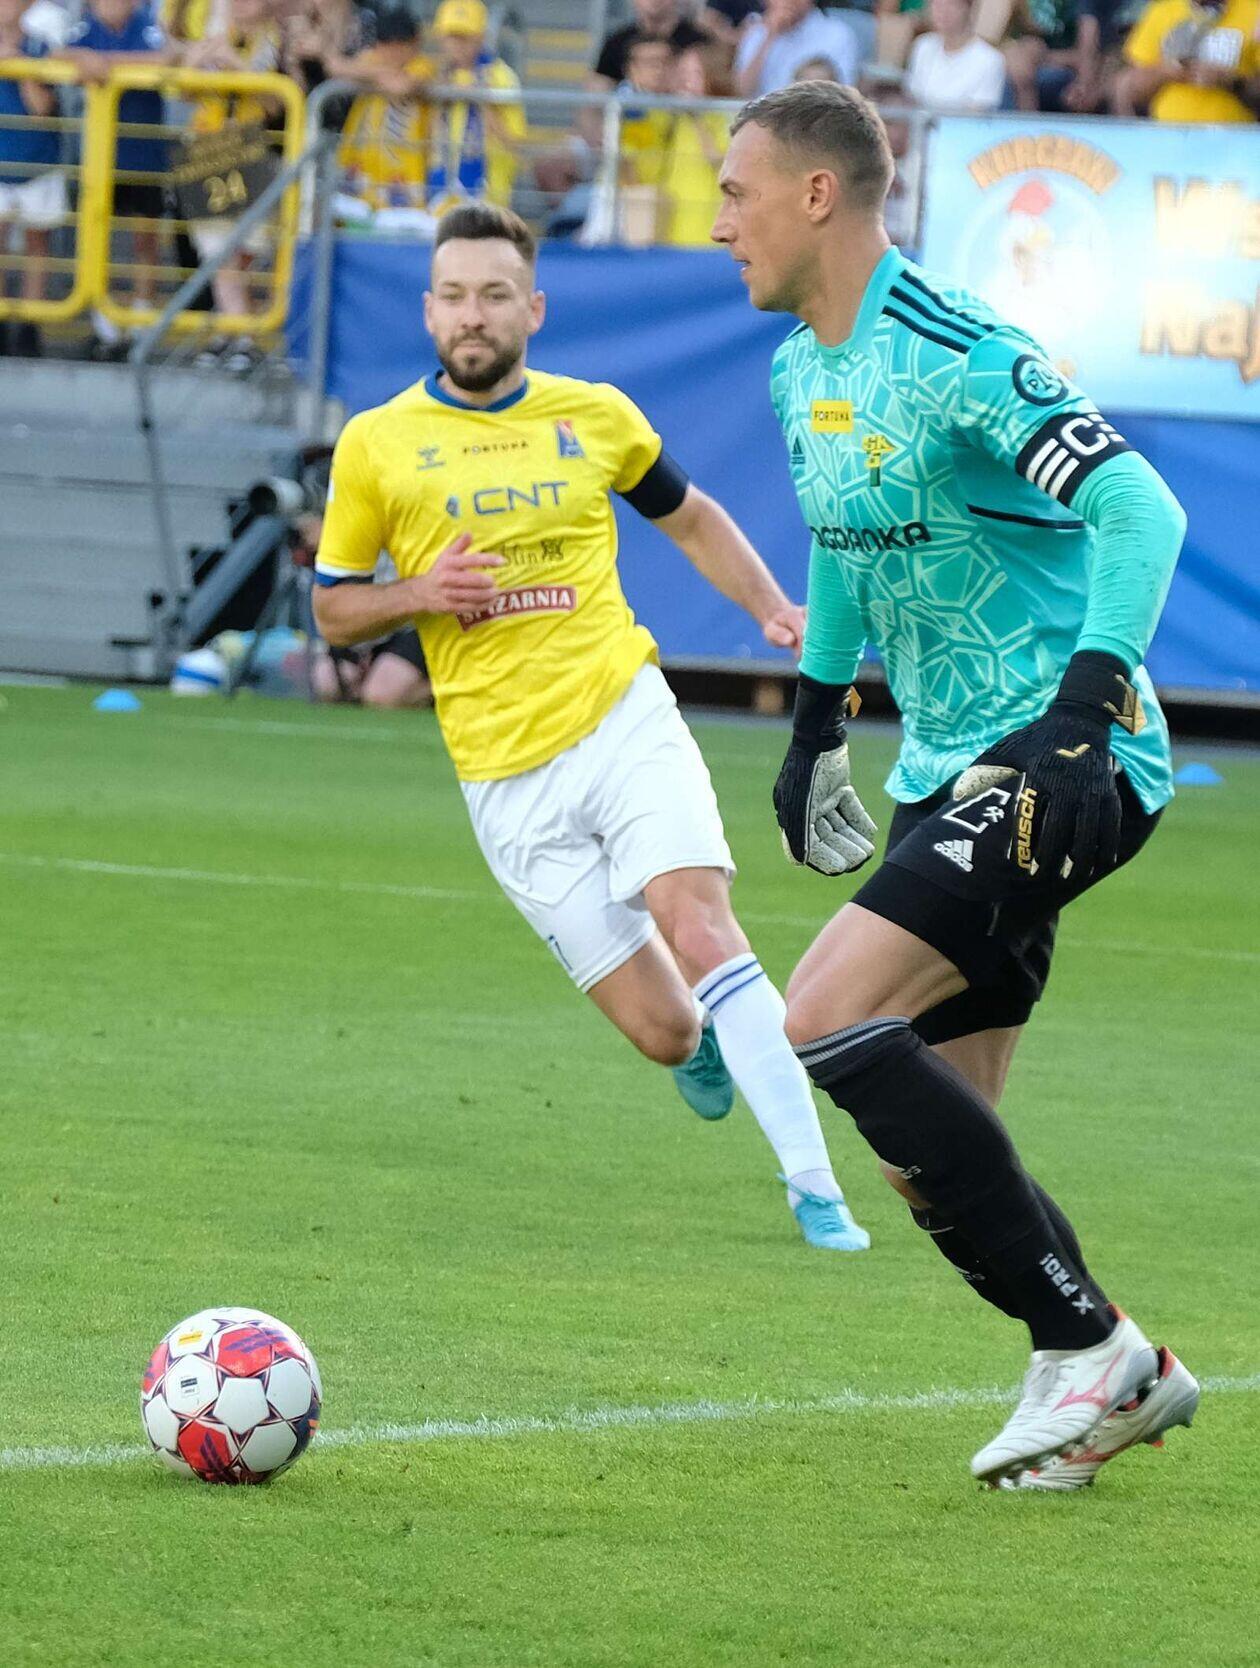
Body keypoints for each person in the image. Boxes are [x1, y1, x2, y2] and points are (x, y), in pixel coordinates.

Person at [713, 80, 1199, 1488]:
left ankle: (1091, 1347)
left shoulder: (957, 349)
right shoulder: (802, 369)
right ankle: (1104, 1372)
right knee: (927, 1132)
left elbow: (1140, 508)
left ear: (818, 195)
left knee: (823, 1014)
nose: (721, 224)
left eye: (737, 193)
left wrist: (1085, 708)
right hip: (944, 768)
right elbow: (844, 539)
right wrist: (817, 719)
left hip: (1065, 761)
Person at [312, 200, 870, 1254]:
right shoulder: (377, 444)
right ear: (429, 313)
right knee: (664, 1029)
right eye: (454, 296)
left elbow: (690, 516)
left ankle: (815, 1185)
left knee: (699, 922)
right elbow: (333, 608)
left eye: (494, 295)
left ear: (533, 308)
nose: (473, 315)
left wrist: (771, 608)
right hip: (502, 773)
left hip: (621, 711)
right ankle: (699, 1044)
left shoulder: (595, 416)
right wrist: (422, 592)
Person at [60, 0, 171, 315]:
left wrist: (103, 63)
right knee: (97, 236)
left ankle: (141, 308)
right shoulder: (87, 27)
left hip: (144, 155)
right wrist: (86, 58)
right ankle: (102, 315)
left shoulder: (147, 25)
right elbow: (58, 53)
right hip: (101, 156)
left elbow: (165, 58)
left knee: (145, 239)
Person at [0, 0, 62, 354]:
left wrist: (20, 67)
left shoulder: (40, 45)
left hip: (37, 160)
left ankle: (29, 328)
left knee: (38, 244)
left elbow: (42, 109)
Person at [425, 0, 525, 212]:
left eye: (464, 36)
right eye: (450, 36)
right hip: (440, 194)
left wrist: (481, 101)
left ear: (480, 36)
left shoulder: (501, 76)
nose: (456, 45)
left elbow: (514, 142)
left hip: (488, 196)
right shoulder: (438, 75)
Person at [1115, 0, 1260, 119]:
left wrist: (1232, 82)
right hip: (1168, 135)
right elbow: (1128, 91)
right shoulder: (1162, 11)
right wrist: (1166, 72)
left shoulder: (1255, 11)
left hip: (1237, 136)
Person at [660, 41, 735, 248]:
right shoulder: (675, 115)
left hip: (706, 225)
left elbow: (721, 163)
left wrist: (697, 120)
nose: (685, 80)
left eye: (694, 73)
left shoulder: (729, 114)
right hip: (673, 224)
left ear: (712, 74)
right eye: (682, 72)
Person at [737, 0, 860, 95]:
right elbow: (742, 91)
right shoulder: (756, 32)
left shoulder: (837, 34)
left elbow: (842, 93)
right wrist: (770, 37)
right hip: (761, 116)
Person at [905, 0, 1006, 106]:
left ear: (969, 8)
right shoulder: (923, 45)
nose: (943, 10)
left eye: (951, 4)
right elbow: (911, 98)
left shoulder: (990, 59)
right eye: (937, 4)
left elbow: (978, 111)